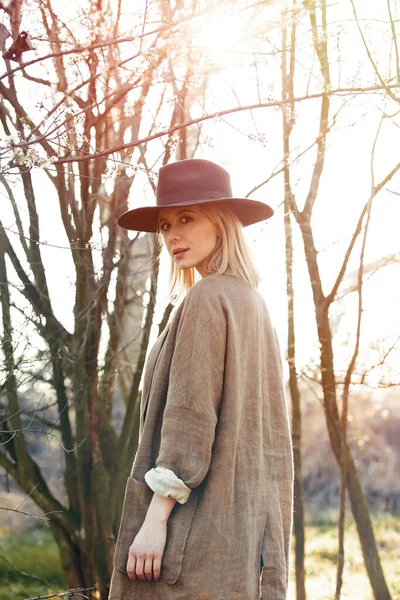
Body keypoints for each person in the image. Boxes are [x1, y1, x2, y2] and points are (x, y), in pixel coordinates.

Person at [107, 158, 294, 600]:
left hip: (192, 542)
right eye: (167, 223)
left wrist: (154, 522)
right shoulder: (252, 302)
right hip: (241, 543)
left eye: (187, 218)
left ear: (222, 221)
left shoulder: (207, 297)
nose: (173, 234)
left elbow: (189, 421)